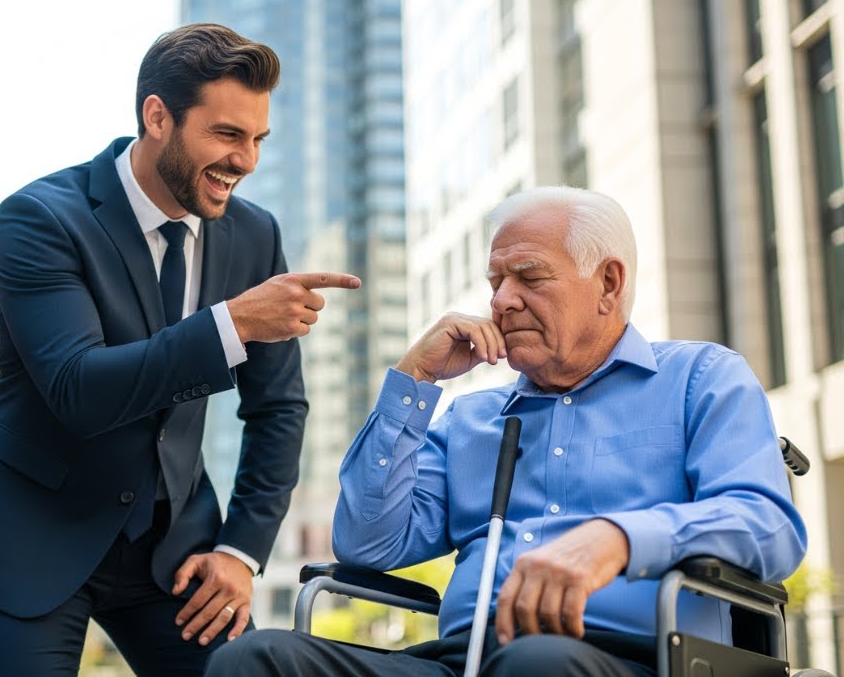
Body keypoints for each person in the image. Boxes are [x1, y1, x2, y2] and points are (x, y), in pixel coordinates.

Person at [207, 186, 807, 676]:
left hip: (636, 660)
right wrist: (413, 381)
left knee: (536, 664)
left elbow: (768, 525)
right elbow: (368, 544)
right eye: (496, 281)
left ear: (609, 284)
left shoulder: (700, 379)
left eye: (530, 276)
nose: (503, 301)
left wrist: (617, 538)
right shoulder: (472, 418)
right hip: (462, 661)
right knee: (255, 660)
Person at [0, 22, 360, 676]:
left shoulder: (253, 236)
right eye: (226, 134)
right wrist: (232, 323)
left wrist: (242, 552)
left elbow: (278, 408)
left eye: (257, 140)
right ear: (157, 117)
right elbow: (77, 388)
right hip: (30, 531)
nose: (246, 160)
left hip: (173, 549)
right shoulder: (40, 218)